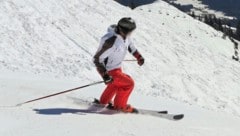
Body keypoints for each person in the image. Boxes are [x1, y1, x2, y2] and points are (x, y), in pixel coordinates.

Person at [93, 17, 144, 113]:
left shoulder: (125, 36)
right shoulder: (110, 41)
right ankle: (120, 106)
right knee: (128, 84)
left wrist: (139, 56)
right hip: (108, 70)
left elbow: (130, 46)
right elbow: (97, 59)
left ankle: (103, 102)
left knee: (115, 85)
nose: (131, 34)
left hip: (116, 68)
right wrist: (105, 75)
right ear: (124, 30)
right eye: (130, 31)